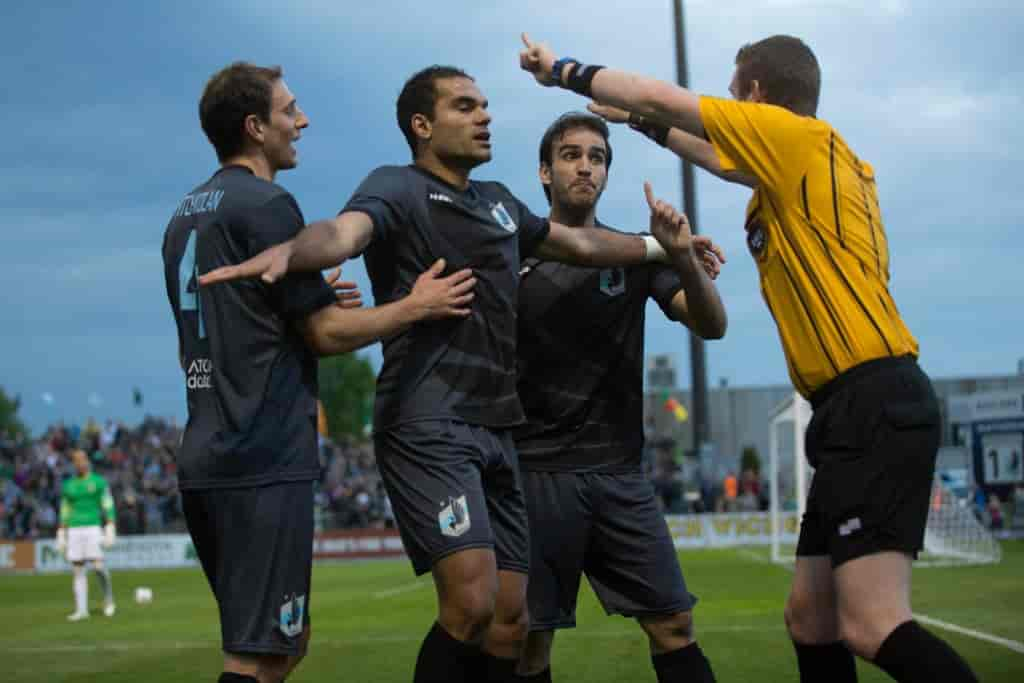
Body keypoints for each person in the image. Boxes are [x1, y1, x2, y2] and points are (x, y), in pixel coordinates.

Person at [199, 65, 723, 683]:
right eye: (466, 107)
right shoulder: (395, 188)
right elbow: (343, 233)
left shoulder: (500, 204)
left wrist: (668, 249)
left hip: (500, 432)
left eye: (485, 107)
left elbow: (581, 246)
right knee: (474, 604)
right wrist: (295, 251)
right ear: (422, 125)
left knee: (509, 622)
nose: (485, 117)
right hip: (430, 419)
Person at [517, 32, 977, 683]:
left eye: (735, 93)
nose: (729, 105)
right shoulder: (815, 161)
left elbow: (661, 96)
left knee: (872, 623)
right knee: (810, 619)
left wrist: (564, 72)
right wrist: (646, 126)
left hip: (871, 398)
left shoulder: (793, 138)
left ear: (757, 95)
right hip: (856, 404)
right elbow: (718, 157)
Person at [163, 62, 477, 683]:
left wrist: (305, 300)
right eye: (289, 111)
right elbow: (326, 334)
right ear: (255, 127)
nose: (301, 122)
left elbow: (227, 324)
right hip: (259, 451)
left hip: (206, 447)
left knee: (284, 642)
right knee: (255, 656)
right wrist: (414, 307)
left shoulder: (185, 214)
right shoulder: (268, 204)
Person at [513, 111, 725, 683]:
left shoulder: (637, 255)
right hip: (535, 475)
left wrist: (680, 253)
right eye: (571, 154)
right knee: (528, 647)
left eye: (597, 157)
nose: (585, 165)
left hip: (617, 475)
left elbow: (711, 324)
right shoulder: (510, 256)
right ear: (544, 172)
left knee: (675, 625)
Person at [56, 449, 117, 621]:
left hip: (93, 527)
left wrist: (110, 526)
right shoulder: (68, 485)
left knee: (98, 566)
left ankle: (109, 599)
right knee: (77, 568)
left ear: (87, 461)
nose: (80, 463)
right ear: (73, 463)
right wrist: (61, 531)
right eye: (76, 460)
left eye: (82, 459)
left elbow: (107, 503)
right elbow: (65, 509)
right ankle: (81, 610)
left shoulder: (98, 482)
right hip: (74, 529)